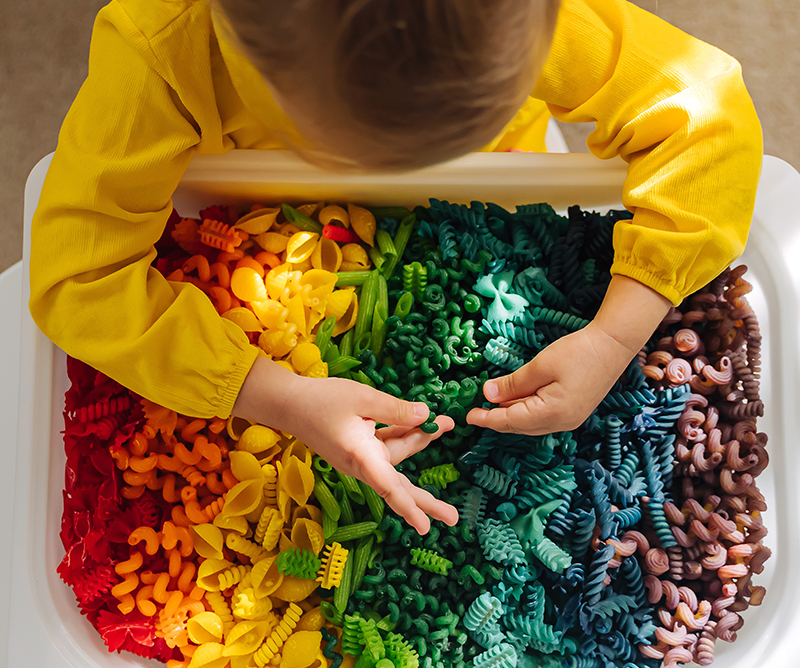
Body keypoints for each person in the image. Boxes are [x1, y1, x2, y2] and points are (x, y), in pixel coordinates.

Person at [28, 0, 762, 534]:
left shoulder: (510, 13)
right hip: (254, 215)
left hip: (498, 195)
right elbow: (77, 278)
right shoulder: (162, 51)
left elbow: (710, 113)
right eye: (347, 151)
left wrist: (613, 337)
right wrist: (276, 394)